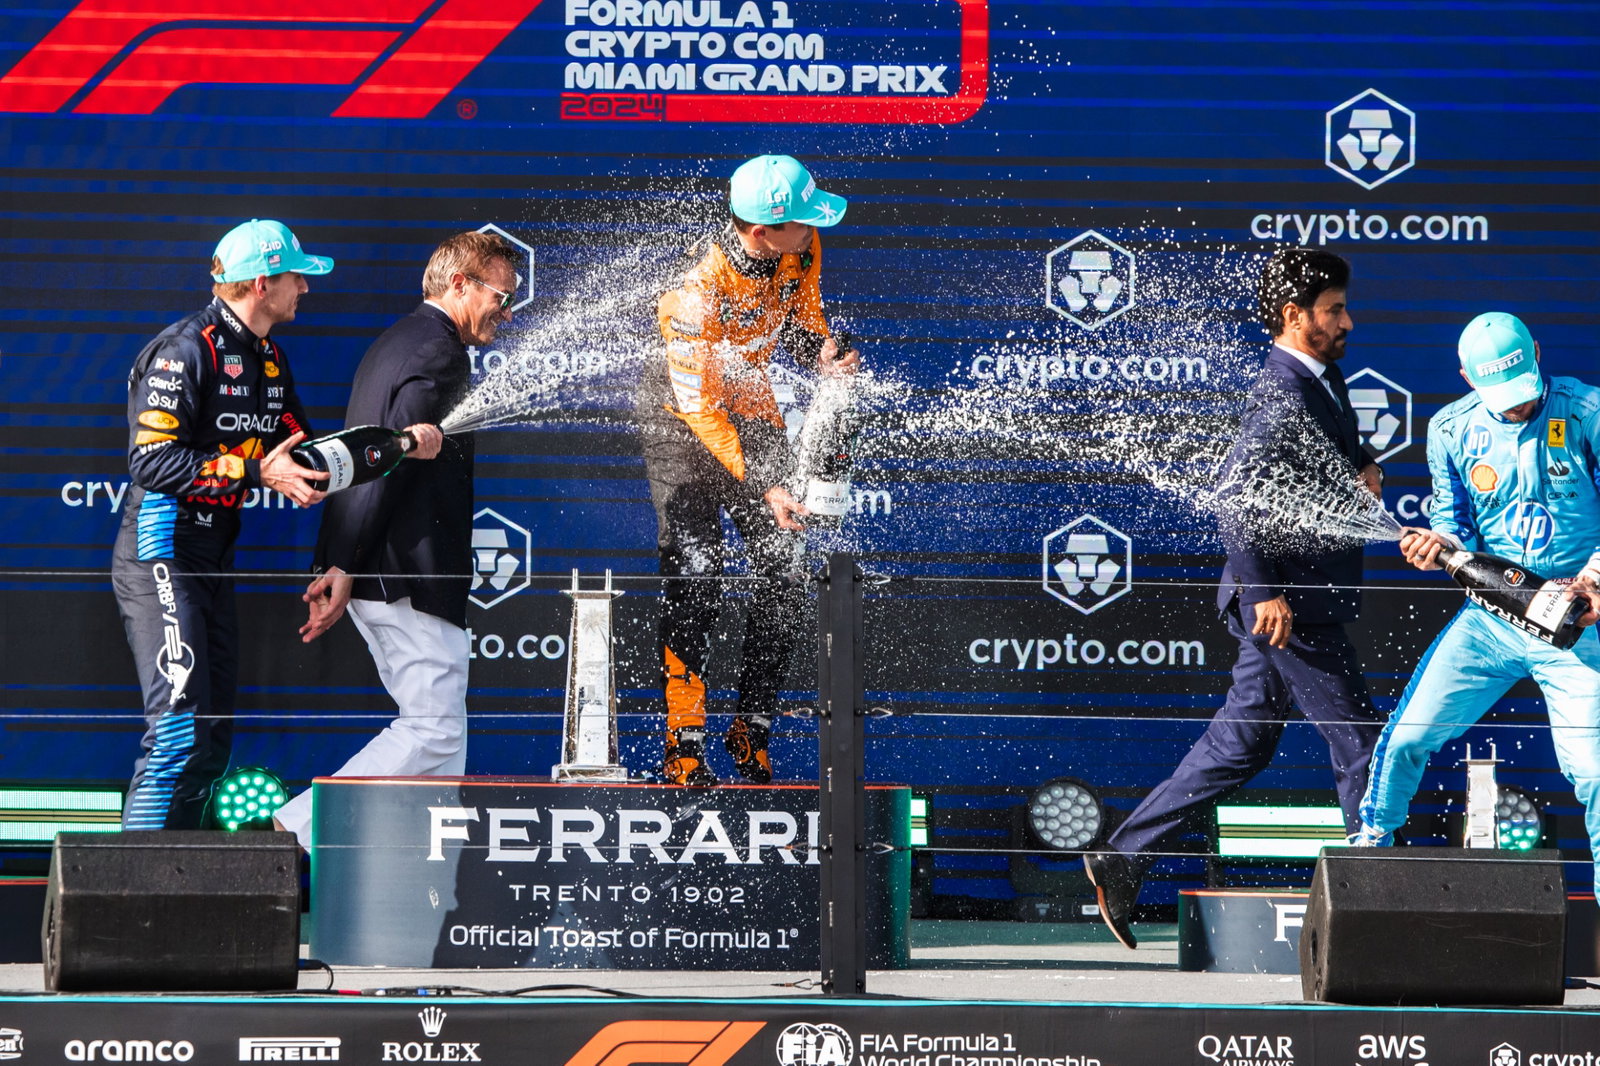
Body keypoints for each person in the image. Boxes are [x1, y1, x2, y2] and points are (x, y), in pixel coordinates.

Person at [1083, 248, 1386, 948]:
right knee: (1362, 744)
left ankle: (1122, 857)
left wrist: (1362, 466)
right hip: (1289, 608)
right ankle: (1380, 910)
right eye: (1334, 310)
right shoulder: (1280, 390)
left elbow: (1315, 462)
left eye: (1343, 307)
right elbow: (1237, 496)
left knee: (1240, 743)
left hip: (1294, 598)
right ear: (1293, 315)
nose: (1347, 321)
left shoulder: (1321, 375)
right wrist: (1266, 594)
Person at [277, 230, 518, 849]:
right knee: (434, 732)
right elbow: (386, 462)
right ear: (461, 285)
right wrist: (348, 565)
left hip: (384, 569)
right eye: (500, 294)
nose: (507, 310)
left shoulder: (399, 340)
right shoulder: (437, 353)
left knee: (443, 743)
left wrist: (340, 561)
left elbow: (364, 457)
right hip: (404, 575)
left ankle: (420, 896)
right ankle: (295, 829)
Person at [638, 154, 859, 786]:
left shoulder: (800, 247)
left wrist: (823, 350)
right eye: (803, 221)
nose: (816, 230)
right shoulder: (693, 295)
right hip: (678, 419)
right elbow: (700, 409)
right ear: (761, 229)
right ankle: (684, 744)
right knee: (699, 568)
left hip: (750, 399)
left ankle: (749, 728)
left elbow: (805, 314)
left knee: (786, 565)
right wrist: (766, 484)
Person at [1355, 313, 1600, 883]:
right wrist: (1438, 545)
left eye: (1524, 391)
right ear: (1466, 376)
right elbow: (1452, 522)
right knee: (1410, 735)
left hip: (1578, 622)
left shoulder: (1588, 411)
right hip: (1493, 618)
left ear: (1538, 353)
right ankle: (1367, 859)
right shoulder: (1449, 430)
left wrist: (1593, 581)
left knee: (1593, 772)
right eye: (1501, 397)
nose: (1516, 407)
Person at [115, 219, 334, 830]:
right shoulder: (185, 349)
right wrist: (256, 472)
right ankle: (132, 909)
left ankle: (179, 900)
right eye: (298, 277)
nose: (306, 289)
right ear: (263, 283)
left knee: (211, 748)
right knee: (178, 735)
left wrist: (384, 449)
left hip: (211, 559)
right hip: (162, 551)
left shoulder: (268, 358)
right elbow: (151, 461)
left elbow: (300, 450)